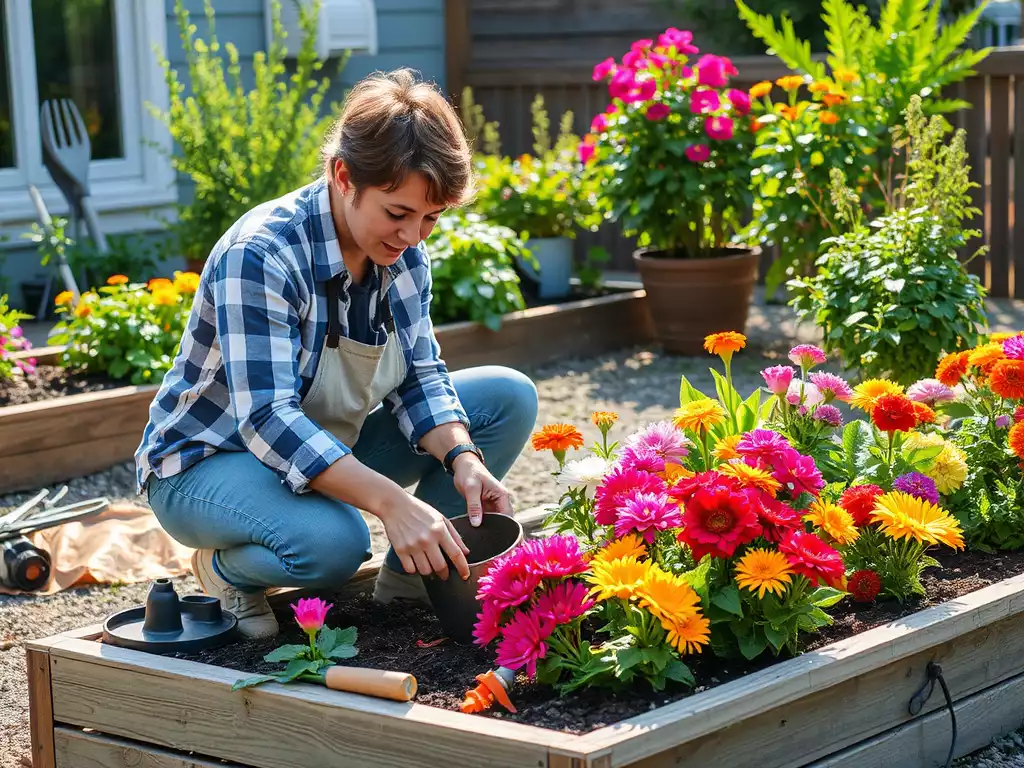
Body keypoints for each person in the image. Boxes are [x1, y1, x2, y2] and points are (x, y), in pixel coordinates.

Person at [134, 68, 539, 639]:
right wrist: (394, 503)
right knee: (334, 545)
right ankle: (223, 570)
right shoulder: (262, 255)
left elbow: (421, 376)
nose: (413, 236)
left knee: (505, 396)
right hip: (206, 463)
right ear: (344, 175)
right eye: (398, 213)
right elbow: (269, 419)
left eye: (431, 218)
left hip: (323, 442)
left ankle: (413, 581)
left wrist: (462, 459)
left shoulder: (402, 254)